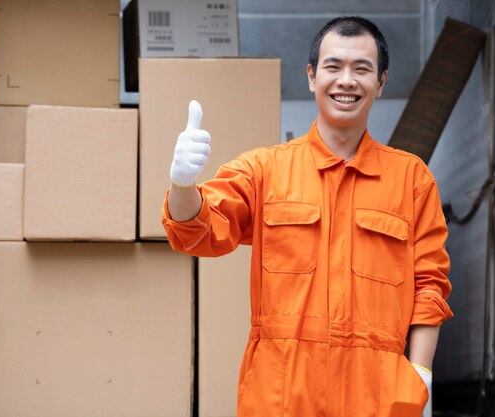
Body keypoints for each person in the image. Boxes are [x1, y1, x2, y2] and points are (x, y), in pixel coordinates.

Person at [162, 16, 453, 417]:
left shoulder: (411, 180)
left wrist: (420, 372)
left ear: (381, 83)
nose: (346, 81)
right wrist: (183, 184)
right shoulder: (264, 170)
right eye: (333, 67)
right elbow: (197, 233)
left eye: (362, 69)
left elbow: (429, 286)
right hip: (281, 397)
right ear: (312, 77)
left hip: (377, 398)